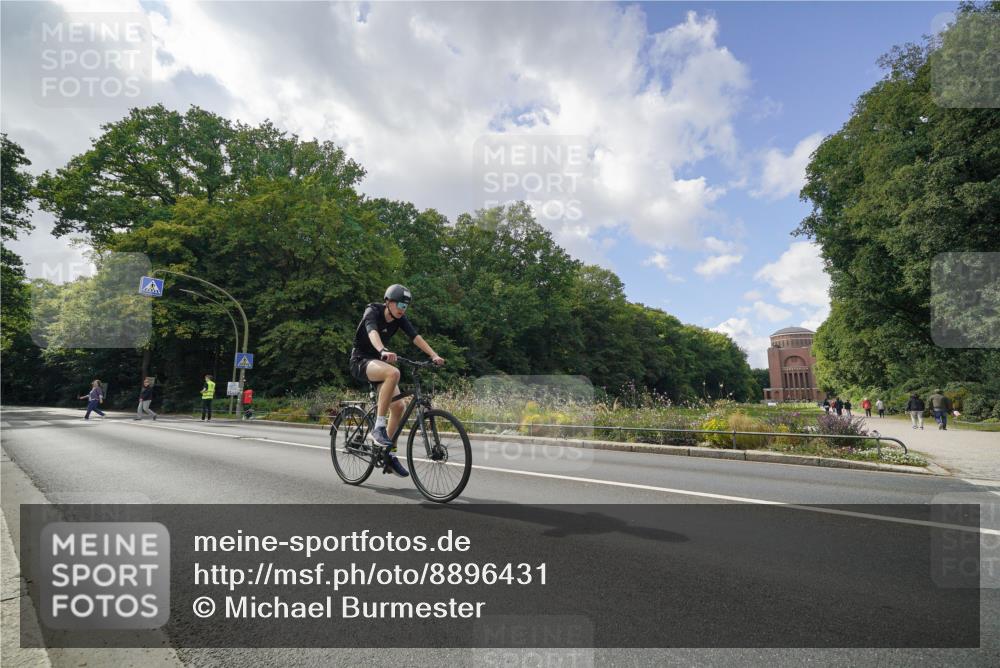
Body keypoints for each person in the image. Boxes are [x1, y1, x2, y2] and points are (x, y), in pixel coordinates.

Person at [349, 284, 445, 477]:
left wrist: (434, 355)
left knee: (399, 407)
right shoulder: (373, 311)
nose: (403, 308)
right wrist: (382, 350)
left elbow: (415, 336)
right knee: (393, 373)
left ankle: (388, 455)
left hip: (378, 363)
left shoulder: (400, 319)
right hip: (360, 361)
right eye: (400, 304)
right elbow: (372, 332)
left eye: (406, 305)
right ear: (388, 302)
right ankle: (378, 428)